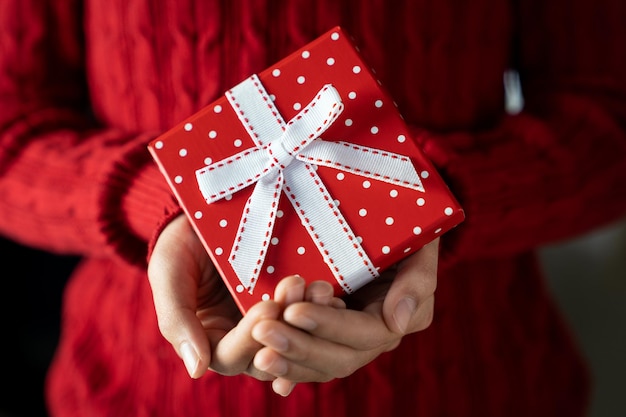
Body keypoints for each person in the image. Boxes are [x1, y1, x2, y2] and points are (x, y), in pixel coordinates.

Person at [1, 1, 625, 416]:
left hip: (479, 387)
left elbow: (609, 123)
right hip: (137, 393)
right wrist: (166, 203)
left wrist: (434, 200)